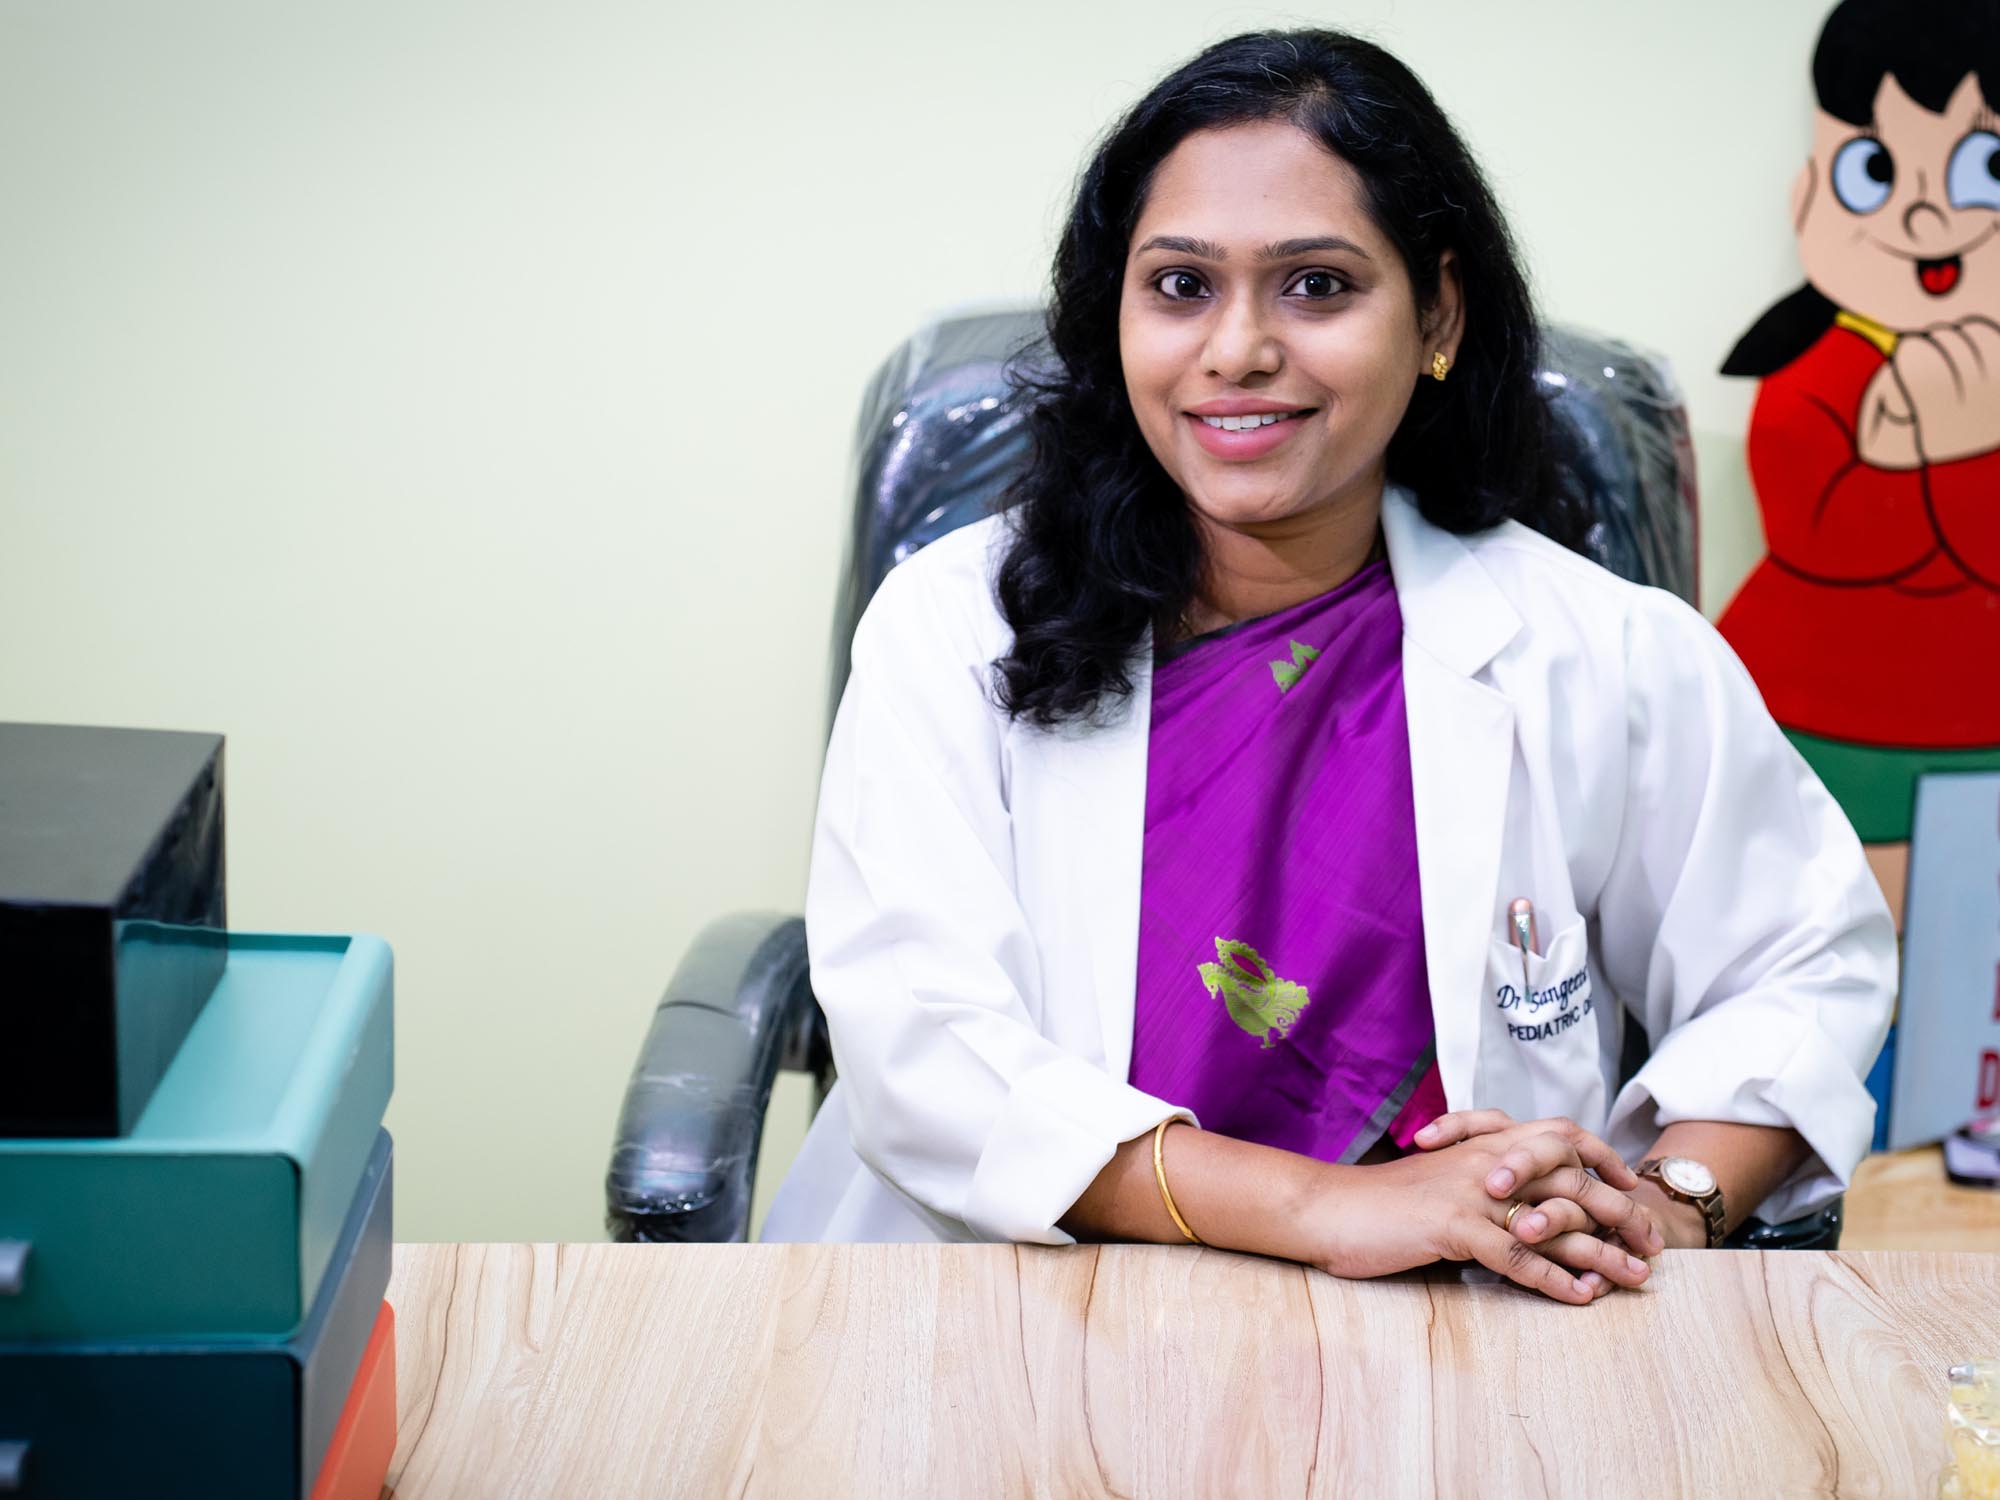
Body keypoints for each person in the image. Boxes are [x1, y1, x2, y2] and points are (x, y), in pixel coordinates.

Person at [762, 28, 1895, 1305]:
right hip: (1010, 1302)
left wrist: (1668, 1203)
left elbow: (1800, 961)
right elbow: (924, 1056)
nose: (1237, 348)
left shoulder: (1602, 650)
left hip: (1461, 1327)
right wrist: (1330, 1207)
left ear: (1437, 315)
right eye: (1179, 285)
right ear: (1114, 316)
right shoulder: (951, 629)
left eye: (1314, 286)